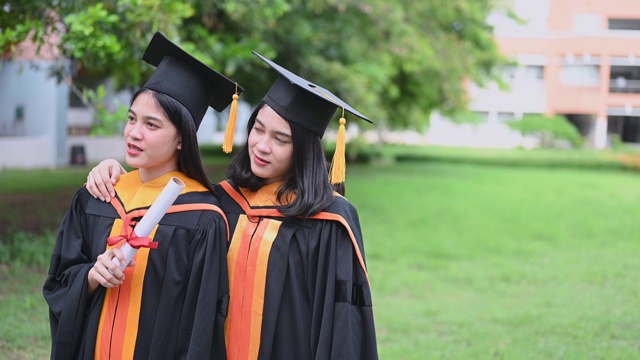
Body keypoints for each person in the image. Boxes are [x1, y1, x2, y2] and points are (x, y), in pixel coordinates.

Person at [86, 51, 379, 359]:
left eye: (281, 139)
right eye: (258, 129)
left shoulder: (329, 220)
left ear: (303, 150)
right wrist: (110, 168)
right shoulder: (220, 203)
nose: (262, 146)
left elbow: (342, 321)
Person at [43, 32, 244, 359]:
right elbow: (60, 281)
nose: (134, 133)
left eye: (152, 125)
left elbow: (201, 324)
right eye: (132, 118)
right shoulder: (97, 198)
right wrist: (91, 277)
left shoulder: (202, 219)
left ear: (181, 139)